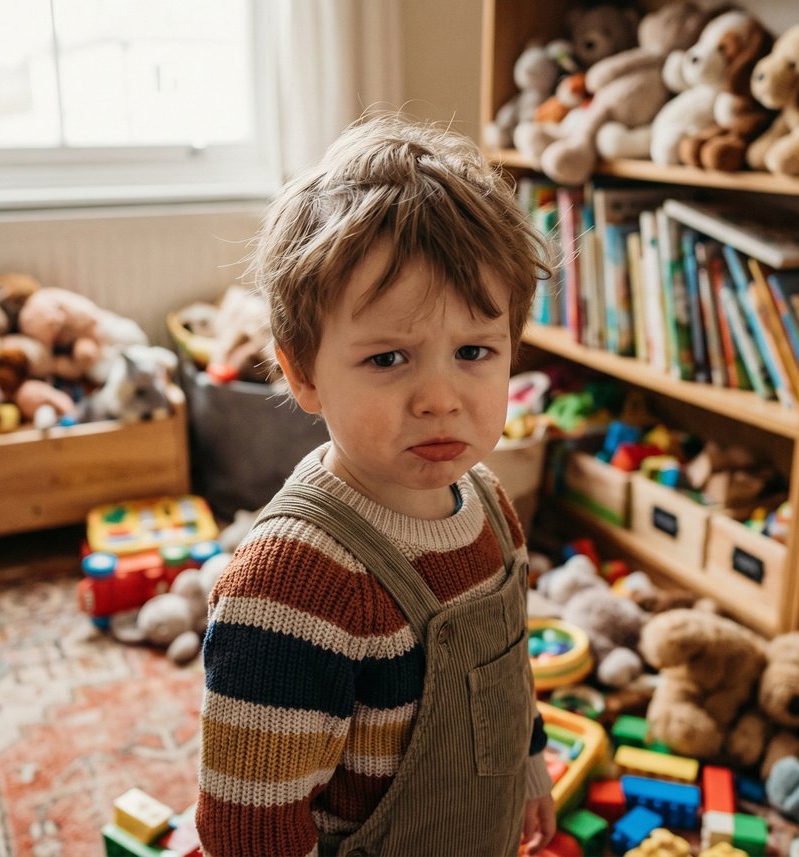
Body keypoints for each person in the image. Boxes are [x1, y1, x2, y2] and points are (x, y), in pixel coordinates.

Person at [195, 115, 556, 857]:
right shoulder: (293, 583)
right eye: (390, 358)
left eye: (473, 350)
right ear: (301, 372)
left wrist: (527, 760)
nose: (439, 396)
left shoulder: (487, 502)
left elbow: (507, 669)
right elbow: (249, 828)